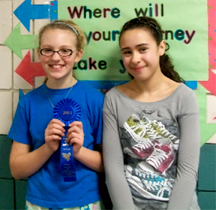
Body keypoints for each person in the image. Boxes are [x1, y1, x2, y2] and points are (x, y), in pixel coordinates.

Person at [102, 16, 200, 210]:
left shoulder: (185, 97)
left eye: (143, 49)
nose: (135, 58)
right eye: (127, 52)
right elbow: (113, 168)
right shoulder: (114, 99)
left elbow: (188, 171)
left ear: (161, 48)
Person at [8, 20, 106, 210]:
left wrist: (79, 151)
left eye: (65, 50)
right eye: (48, 50)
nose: (56, 57)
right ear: (39, 54)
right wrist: (48, 147)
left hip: (84, 202)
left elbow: (110, 165)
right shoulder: (28, 103)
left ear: (78, 55)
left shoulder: (95, 100)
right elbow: (16, 170)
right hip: (38, 202)